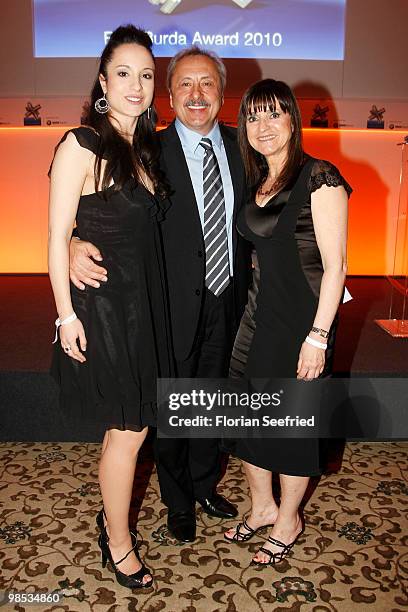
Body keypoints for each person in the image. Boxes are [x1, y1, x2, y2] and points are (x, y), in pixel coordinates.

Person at [69, 47, 252, 543]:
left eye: (207, 84)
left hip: (229, 296)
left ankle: (204, 482)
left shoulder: (245, 148)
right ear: (169, 96)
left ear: (220, 92)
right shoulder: (150, 148)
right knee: (173, 404)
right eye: (185, 85)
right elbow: (103, 207)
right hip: (167, 301)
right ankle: (177, 501)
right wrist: (70, 241)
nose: (197, 94)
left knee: (215, 399)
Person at [48, 25, 173, 588]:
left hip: (141, 306)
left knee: (131, 429)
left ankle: (112, 517)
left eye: (147, 75)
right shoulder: (82, 143)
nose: (137, 85)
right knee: (128, 429)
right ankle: (119, 544)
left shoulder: (147, 149)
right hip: (103, 310)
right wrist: (65, 315)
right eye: (124, 73)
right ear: (102, 81)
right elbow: (55, 238)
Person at [224, 79, 351, 566]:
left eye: (274, 114)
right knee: (250, 419)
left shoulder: (320, 176)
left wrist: (318, 337)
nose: (263, 126)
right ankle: (261, 506)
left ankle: (288, 518)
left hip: (304, 321)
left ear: (293, 119)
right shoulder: (255, 181)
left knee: (292, 428)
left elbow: (337, 267)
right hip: (258, 316)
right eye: (253, 116)